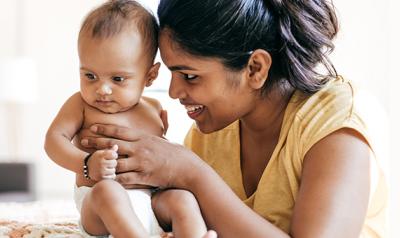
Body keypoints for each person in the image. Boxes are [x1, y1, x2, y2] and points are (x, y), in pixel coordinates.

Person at [80, 0, 388, 237]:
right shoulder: (211, 131)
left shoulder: (335, 122)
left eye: (189, 75)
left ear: (255, 68)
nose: (174, 92)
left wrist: (193, 174)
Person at [44, 1, 209, 237]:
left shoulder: (154, 109)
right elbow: (53, 140)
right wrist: (86, 163)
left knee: (183, 199)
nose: (102, 89)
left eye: (118, 79)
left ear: (150, 76)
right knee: (109, 192)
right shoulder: (80, 105)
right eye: (90, 75)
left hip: (150, 202)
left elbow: (158, 157)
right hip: (99, 206)